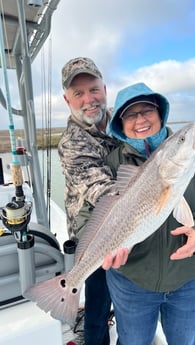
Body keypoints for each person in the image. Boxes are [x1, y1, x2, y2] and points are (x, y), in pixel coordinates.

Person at [101, 82, 195, 345]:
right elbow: (92, 211)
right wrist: (108, 244)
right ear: (120, 125)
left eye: (147, 110)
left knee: (185, 341)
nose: (140, 119)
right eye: (130, 114)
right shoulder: (112, 165)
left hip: (188, 279)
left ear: (160, 113)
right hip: (132, 281)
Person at [58, 57, 120, 345]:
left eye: (93, 89)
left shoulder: (125, 121)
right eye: (78, 93)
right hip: (93, 235)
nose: (89, 99)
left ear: (105, 88)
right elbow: (103, 192)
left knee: (126, 298)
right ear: (67, 99)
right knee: (98, 304)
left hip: (128, 231)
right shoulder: (72, 143)